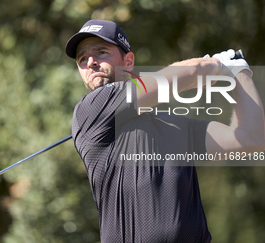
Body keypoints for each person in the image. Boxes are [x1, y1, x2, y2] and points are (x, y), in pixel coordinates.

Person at [65, 20, 265, 242]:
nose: (91, 62)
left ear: (128, 61)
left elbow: (252, 139)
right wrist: (217, 65)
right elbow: (194, 71)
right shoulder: (89, 110)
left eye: (101, 52)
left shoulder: (177, 125)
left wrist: (240, 71)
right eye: (82, 59)